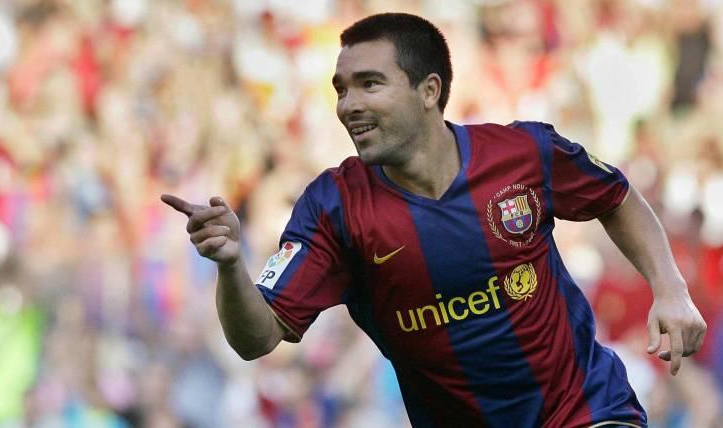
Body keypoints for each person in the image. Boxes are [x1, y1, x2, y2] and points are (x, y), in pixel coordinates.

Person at [161, 13, 707, 428]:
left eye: (370, 84)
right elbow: (256, 339)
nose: (348, 104)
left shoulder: (524, 153)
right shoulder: (334, 207)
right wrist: (230, 265)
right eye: (341, 89)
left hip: (583, 410)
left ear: (429, 91)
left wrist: (670, 289)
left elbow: (615, 196)